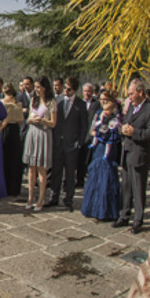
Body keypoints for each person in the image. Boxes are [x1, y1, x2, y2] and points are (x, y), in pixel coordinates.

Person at [114, 79, 150, 234]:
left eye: (131, 93)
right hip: (127, 152)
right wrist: (123, 129)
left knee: (138, 189)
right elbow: (126, 123)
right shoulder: (132, 107)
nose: (129, 96)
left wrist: (135, 133)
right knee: (126, 187)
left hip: (139, 154)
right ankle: (124, 215)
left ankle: (138, 220)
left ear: (140, 92)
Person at [48, 76, 88, 212]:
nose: (66, 90)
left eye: (69, 89)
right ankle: (54, 197)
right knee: (56, 171)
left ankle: (68, 199)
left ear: (75, 90)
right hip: (58, 142)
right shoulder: (58, 102)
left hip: (72, 144)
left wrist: (79, 142)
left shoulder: (80, 105)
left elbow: (84, 126)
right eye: (65, 87)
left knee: (70, 174)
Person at [81, 92, 123, 221]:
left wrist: (109, 133)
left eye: (106, 99)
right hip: (98, 147)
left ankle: (106, 210)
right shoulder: (98, 113)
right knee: (96, 176)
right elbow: (92, 129)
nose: (103, 101)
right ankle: (93, 207)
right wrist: (96, 132)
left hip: (109, 149)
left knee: (107, 178)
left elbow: (118, 131)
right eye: (101, 99)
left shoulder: (116, 116)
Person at [23, 76, 56, 211]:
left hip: (43, 134)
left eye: (38, 87)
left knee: (41, 168)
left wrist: (42, 121)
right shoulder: (33, 100)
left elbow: (53, 123)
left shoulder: (51, 102)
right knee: (32, 168)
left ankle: (41, 199)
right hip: (32, 133)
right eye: (35, 87)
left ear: (44, 87)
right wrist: (32, 119)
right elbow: (28, 119)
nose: (36, 89)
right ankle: (30, 197)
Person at [1, 85, 25, 198]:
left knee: (5, 158)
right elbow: (20, 121)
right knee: (14, 159)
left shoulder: (1, 103)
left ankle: (5, 186)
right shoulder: (17, 103)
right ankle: (14, 188)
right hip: (14, 131)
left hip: (5, 131)